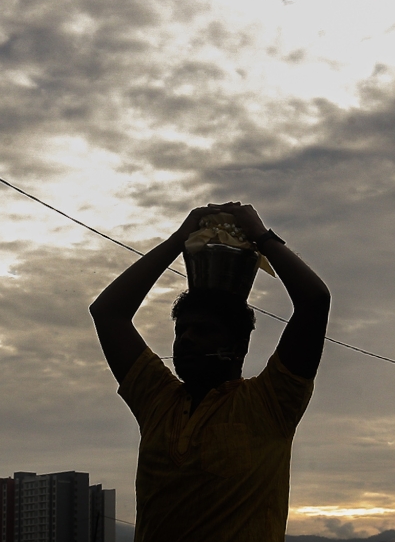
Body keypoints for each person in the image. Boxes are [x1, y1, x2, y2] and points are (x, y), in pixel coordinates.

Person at [89, 202, 330, 542]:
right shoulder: (157, 400)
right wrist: (179, 239)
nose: (186, 339)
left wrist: (262, 237)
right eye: (181, 331)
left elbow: (314, 301)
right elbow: (107, 313)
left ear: (239, 346)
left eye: (203, 331)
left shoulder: (271, 402)